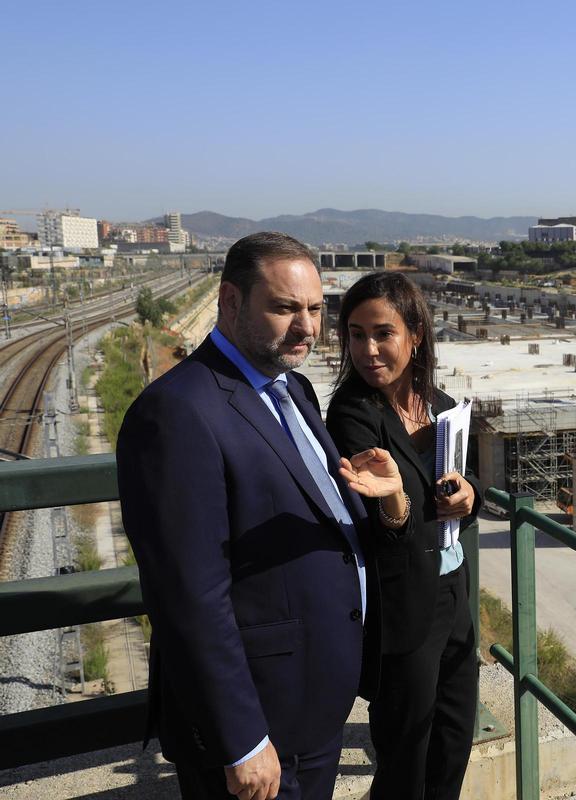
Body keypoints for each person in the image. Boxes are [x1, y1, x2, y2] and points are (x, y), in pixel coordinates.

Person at [117, 232, 406, 800]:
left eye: (317, 309)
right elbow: (189, 596)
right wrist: (242, 739)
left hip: (314, 710)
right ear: (229, 302)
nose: (307, 326)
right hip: (260, 728)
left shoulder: (292, 388)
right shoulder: (176, 413)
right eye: (284, 308)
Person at [325, 271, 482, 800]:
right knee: (405, 748)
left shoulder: (439, 403)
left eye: (382, 333)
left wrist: (470, 496)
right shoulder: (351, 412)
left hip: (452, 588)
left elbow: (469, 481)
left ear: (415, 334)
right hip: (402, 602)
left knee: (455, 733)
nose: (367, 349)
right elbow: (384, 525)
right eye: (355, 333)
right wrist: (395, 501)